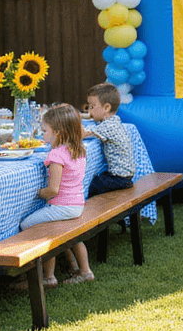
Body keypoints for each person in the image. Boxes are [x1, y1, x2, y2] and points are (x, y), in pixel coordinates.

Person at [15, 103, 90, 288]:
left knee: (28, 226)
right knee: (66, 233)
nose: (42, 135)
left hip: (62, 207)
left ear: (57, 131)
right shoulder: (78, 149)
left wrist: (38, 193)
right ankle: (83, 270)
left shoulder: (57, 155)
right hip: (76, 206)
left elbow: (53, 190)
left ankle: (45, 277)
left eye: (44, 130)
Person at [82, 82, 136, 196]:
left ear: (106, 107)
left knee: (91, 185)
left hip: (119, 178)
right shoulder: (114, 120)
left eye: (92, 107)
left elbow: (83, 134)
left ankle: (94, 211)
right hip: (125, 175)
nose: (89, 111)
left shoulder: (108, 126)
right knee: (98, 176)